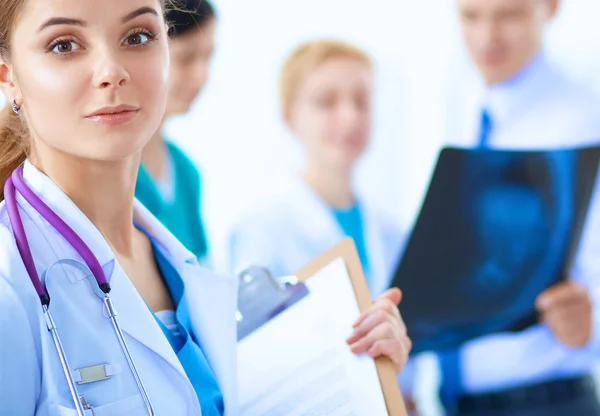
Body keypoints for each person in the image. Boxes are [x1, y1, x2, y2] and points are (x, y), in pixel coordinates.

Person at [0, 1, 411, 414]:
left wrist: (359, 365)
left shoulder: (179, 269)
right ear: (8, 76)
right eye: (64, 44)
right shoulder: (10, 284)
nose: (112, 71)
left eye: (137, 36)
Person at [227, 39, 415, 403]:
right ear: (289, 117)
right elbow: (255, 361)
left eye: (361, 101)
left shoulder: (392, 232)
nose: (350, 117)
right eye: (326, 102)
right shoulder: (262, 229)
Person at [436, 0, 600, 415]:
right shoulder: (460, 111)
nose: (486, 37)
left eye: (508, 14)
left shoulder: (586, 122)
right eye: (470, 16)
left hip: (545, 401)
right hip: (456, 403)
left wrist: (591, 325)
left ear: (550, 8)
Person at [135, 0, 215, 262]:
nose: (202, 75)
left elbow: (201, 272)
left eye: (208, 57)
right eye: (187, 58)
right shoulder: (110, 170)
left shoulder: (185, 171)